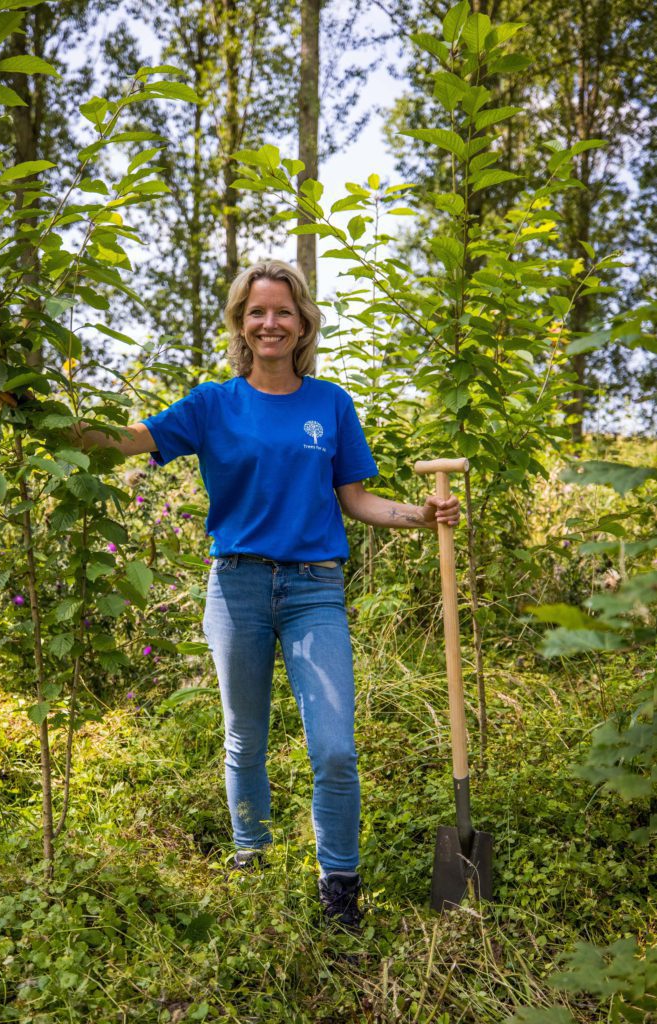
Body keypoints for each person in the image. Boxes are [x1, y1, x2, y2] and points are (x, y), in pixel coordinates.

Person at [73, 259, 460, 930]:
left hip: (314, 589)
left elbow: (357, 499)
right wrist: (57, 429)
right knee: (244, 737)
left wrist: (419, 517)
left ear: (303, 322)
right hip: (237, 587)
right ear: (240, 324)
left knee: (334, 747)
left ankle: (339, 886)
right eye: (256, 311)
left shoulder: (330, 403)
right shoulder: (212, 403)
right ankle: (251, 859)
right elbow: (133, 440)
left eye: (282, 311)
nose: (270, 322)